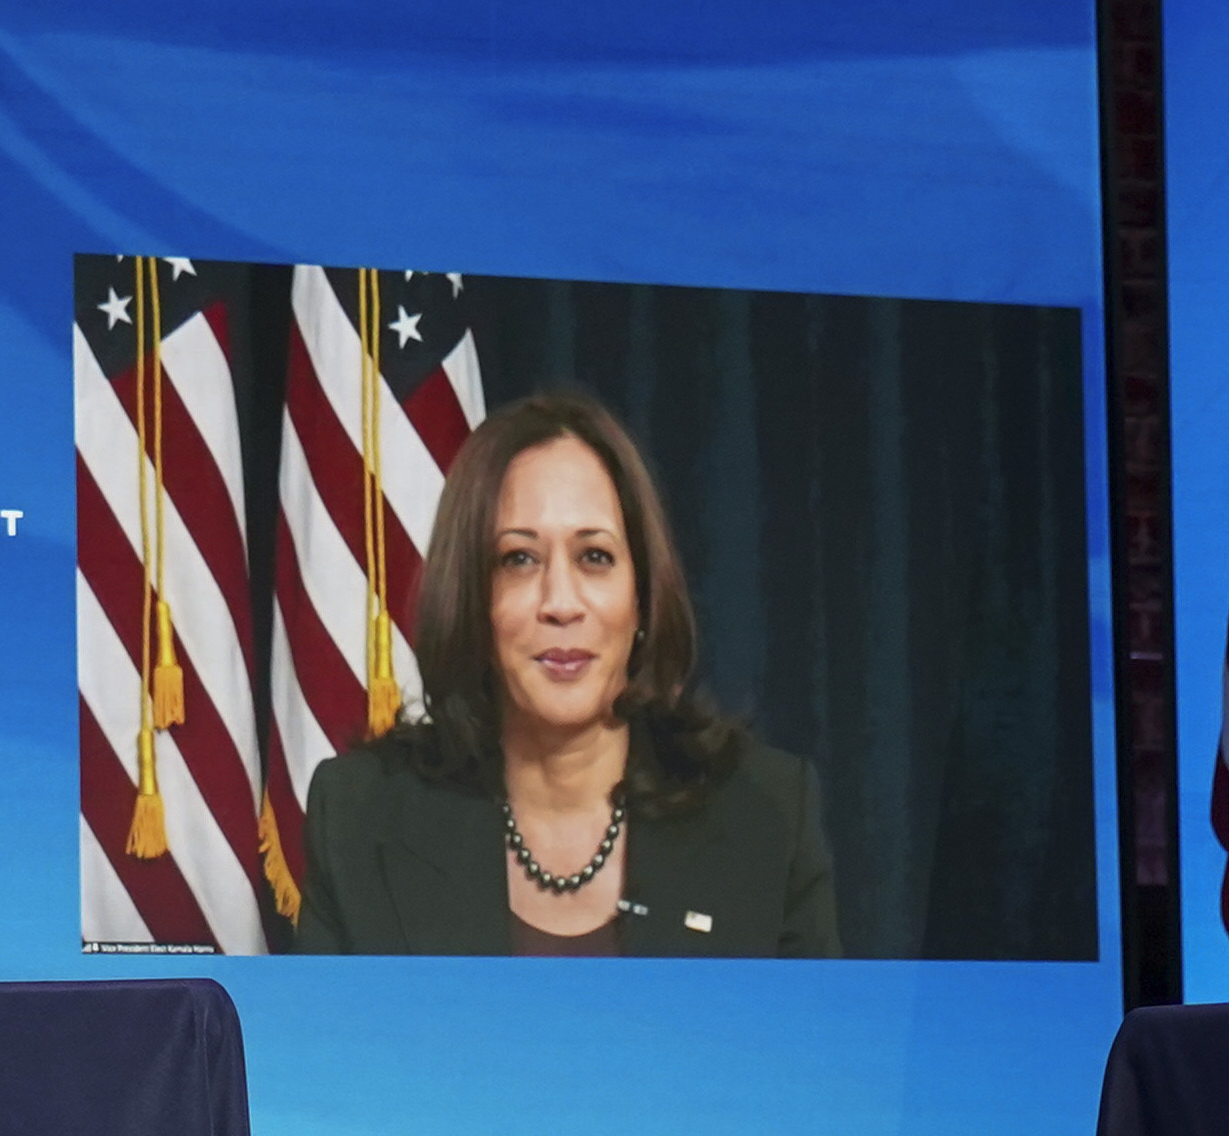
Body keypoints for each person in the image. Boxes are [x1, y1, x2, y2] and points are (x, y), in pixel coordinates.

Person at [280, 392, 839, 957]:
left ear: (642, 597)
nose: (561, 603)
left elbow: (820, 1044)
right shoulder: (359, 815)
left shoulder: (764, 814)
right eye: (519, 560)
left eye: (594, 557)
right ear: (472, 599)